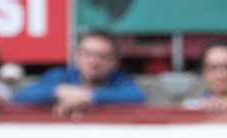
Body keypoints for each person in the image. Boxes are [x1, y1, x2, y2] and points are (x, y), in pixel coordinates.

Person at [13, 30, 145, 116]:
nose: (94, 61)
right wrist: (58, 91)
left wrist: (88, 97)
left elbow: (136, 97)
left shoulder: (120, 81)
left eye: (102, 56)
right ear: (77, 56)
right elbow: (21, 97)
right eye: (88, 54)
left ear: (114, 62)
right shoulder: (60, 76)